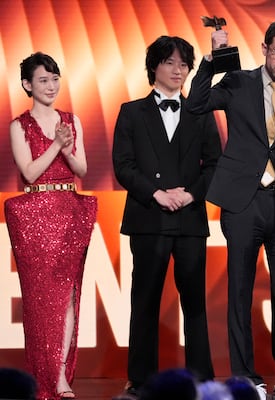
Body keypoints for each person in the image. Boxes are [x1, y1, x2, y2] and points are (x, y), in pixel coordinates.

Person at [187, 19, 275, 399]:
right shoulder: (238, 82)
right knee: (240, 292)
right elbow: (196, 104)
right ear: (264, 49)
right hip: (243, 201)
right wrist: (212, 60)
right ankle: (246, 377)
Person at [112, 36, 222, 398]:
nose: (179, 71)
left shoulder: (201, 112)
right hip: (148, 217)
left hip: (190, 218)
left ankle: (202, 378)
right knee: (144, 300)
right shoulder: (131, 111)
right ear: (154, 67)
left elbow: (215, 164)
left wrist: (190, 194)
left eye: (184, 64)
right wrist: (156, 193)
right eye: (171, 63)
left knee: (195, 303)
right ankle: (141, 379)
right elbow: (123, 166)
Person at [4, 52, 97, 400]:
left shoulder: (72, 120)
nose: (51, 86)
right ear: (28, 84)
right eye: (43, 80)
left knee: (68, 295)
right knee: (41, 299)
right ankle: (40, 372)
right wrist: (56, 145)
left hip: (69, 211)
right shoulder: (19, 125)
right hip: (33, 215)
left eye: (55, 79)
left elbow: (82, 169)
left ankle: (59, 374)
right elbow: (28, 172)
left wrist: (69, 149)